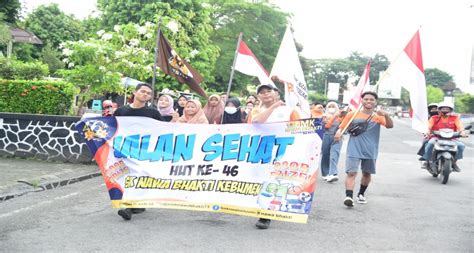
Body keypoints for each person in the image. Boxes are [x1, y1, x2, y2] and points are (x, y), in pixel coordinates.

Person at [249, 84, 300, 229]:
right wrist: (274, 106)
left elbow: (299, 129)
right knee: (260, 179)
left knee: (273, 180)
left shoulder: (289, 110)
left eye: (268, 91)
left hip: (282, 149)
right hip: (261, 149)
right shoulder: (256, 110)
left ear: (276, 93)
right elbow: (256, 121)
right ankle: (261, 207)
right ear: (258, 96)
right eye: (262, 93)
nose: (265, 94)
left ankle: (266, 215)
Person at [334, 91, 393, 207]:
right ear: (362, 101)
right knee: (351, 172)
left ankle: (361, 194)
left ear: (375, 102)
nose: (369, 101)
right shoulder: (352, 114)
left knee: (366, 173)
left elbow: (390, 126)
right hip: (354, 148)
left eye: (371, 99)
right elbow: (342, 128)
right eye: (366, 99)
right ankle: (349, 196)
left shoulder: (378, 117)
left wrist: (386, 115)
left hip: (370, 150)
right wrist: (338, 133)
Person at [113, 83, 163, 220]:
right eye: (143, 91)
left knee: (139, 174)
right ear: (135, 92)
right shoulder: (121, 111)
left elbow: (163, 130)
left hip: (144, 151)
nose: (145, 94)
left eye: (148, 93)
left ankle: (129, 206)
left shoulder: (153, 113)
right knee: (128, 177)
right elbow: (112, 128)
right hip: (124, 149)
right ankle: (136, 203)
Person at [421, 102, 466, 171]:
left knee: (461, 146)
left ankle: (454, 162)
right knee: (429, 144)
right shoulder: (434, 118)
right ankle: (427, 161)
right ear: (439, 110)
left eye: (447, 109)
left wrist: (462, 132)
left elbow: (460, 126)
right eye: (443, 109)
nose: (445, 110)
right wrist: (427, 132)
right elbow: (429, 126)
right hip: (436, 137)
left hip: (452, 138)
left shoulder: (455, 118)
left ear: (450, 110)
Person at [320, 102, 346, 182]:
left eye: (333, 106)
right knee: (325, 155)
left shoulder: (341, 116)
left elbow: (344, 126)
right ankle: (325, 173)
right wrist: (333, 117)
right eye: (330, 106)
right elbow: (326, 126)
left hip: (337, 138)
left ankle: (333, 173)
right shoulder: (324, 116)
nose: (332, 108)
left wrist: (340, 131)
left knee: (334, 155)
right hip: (327, 136)